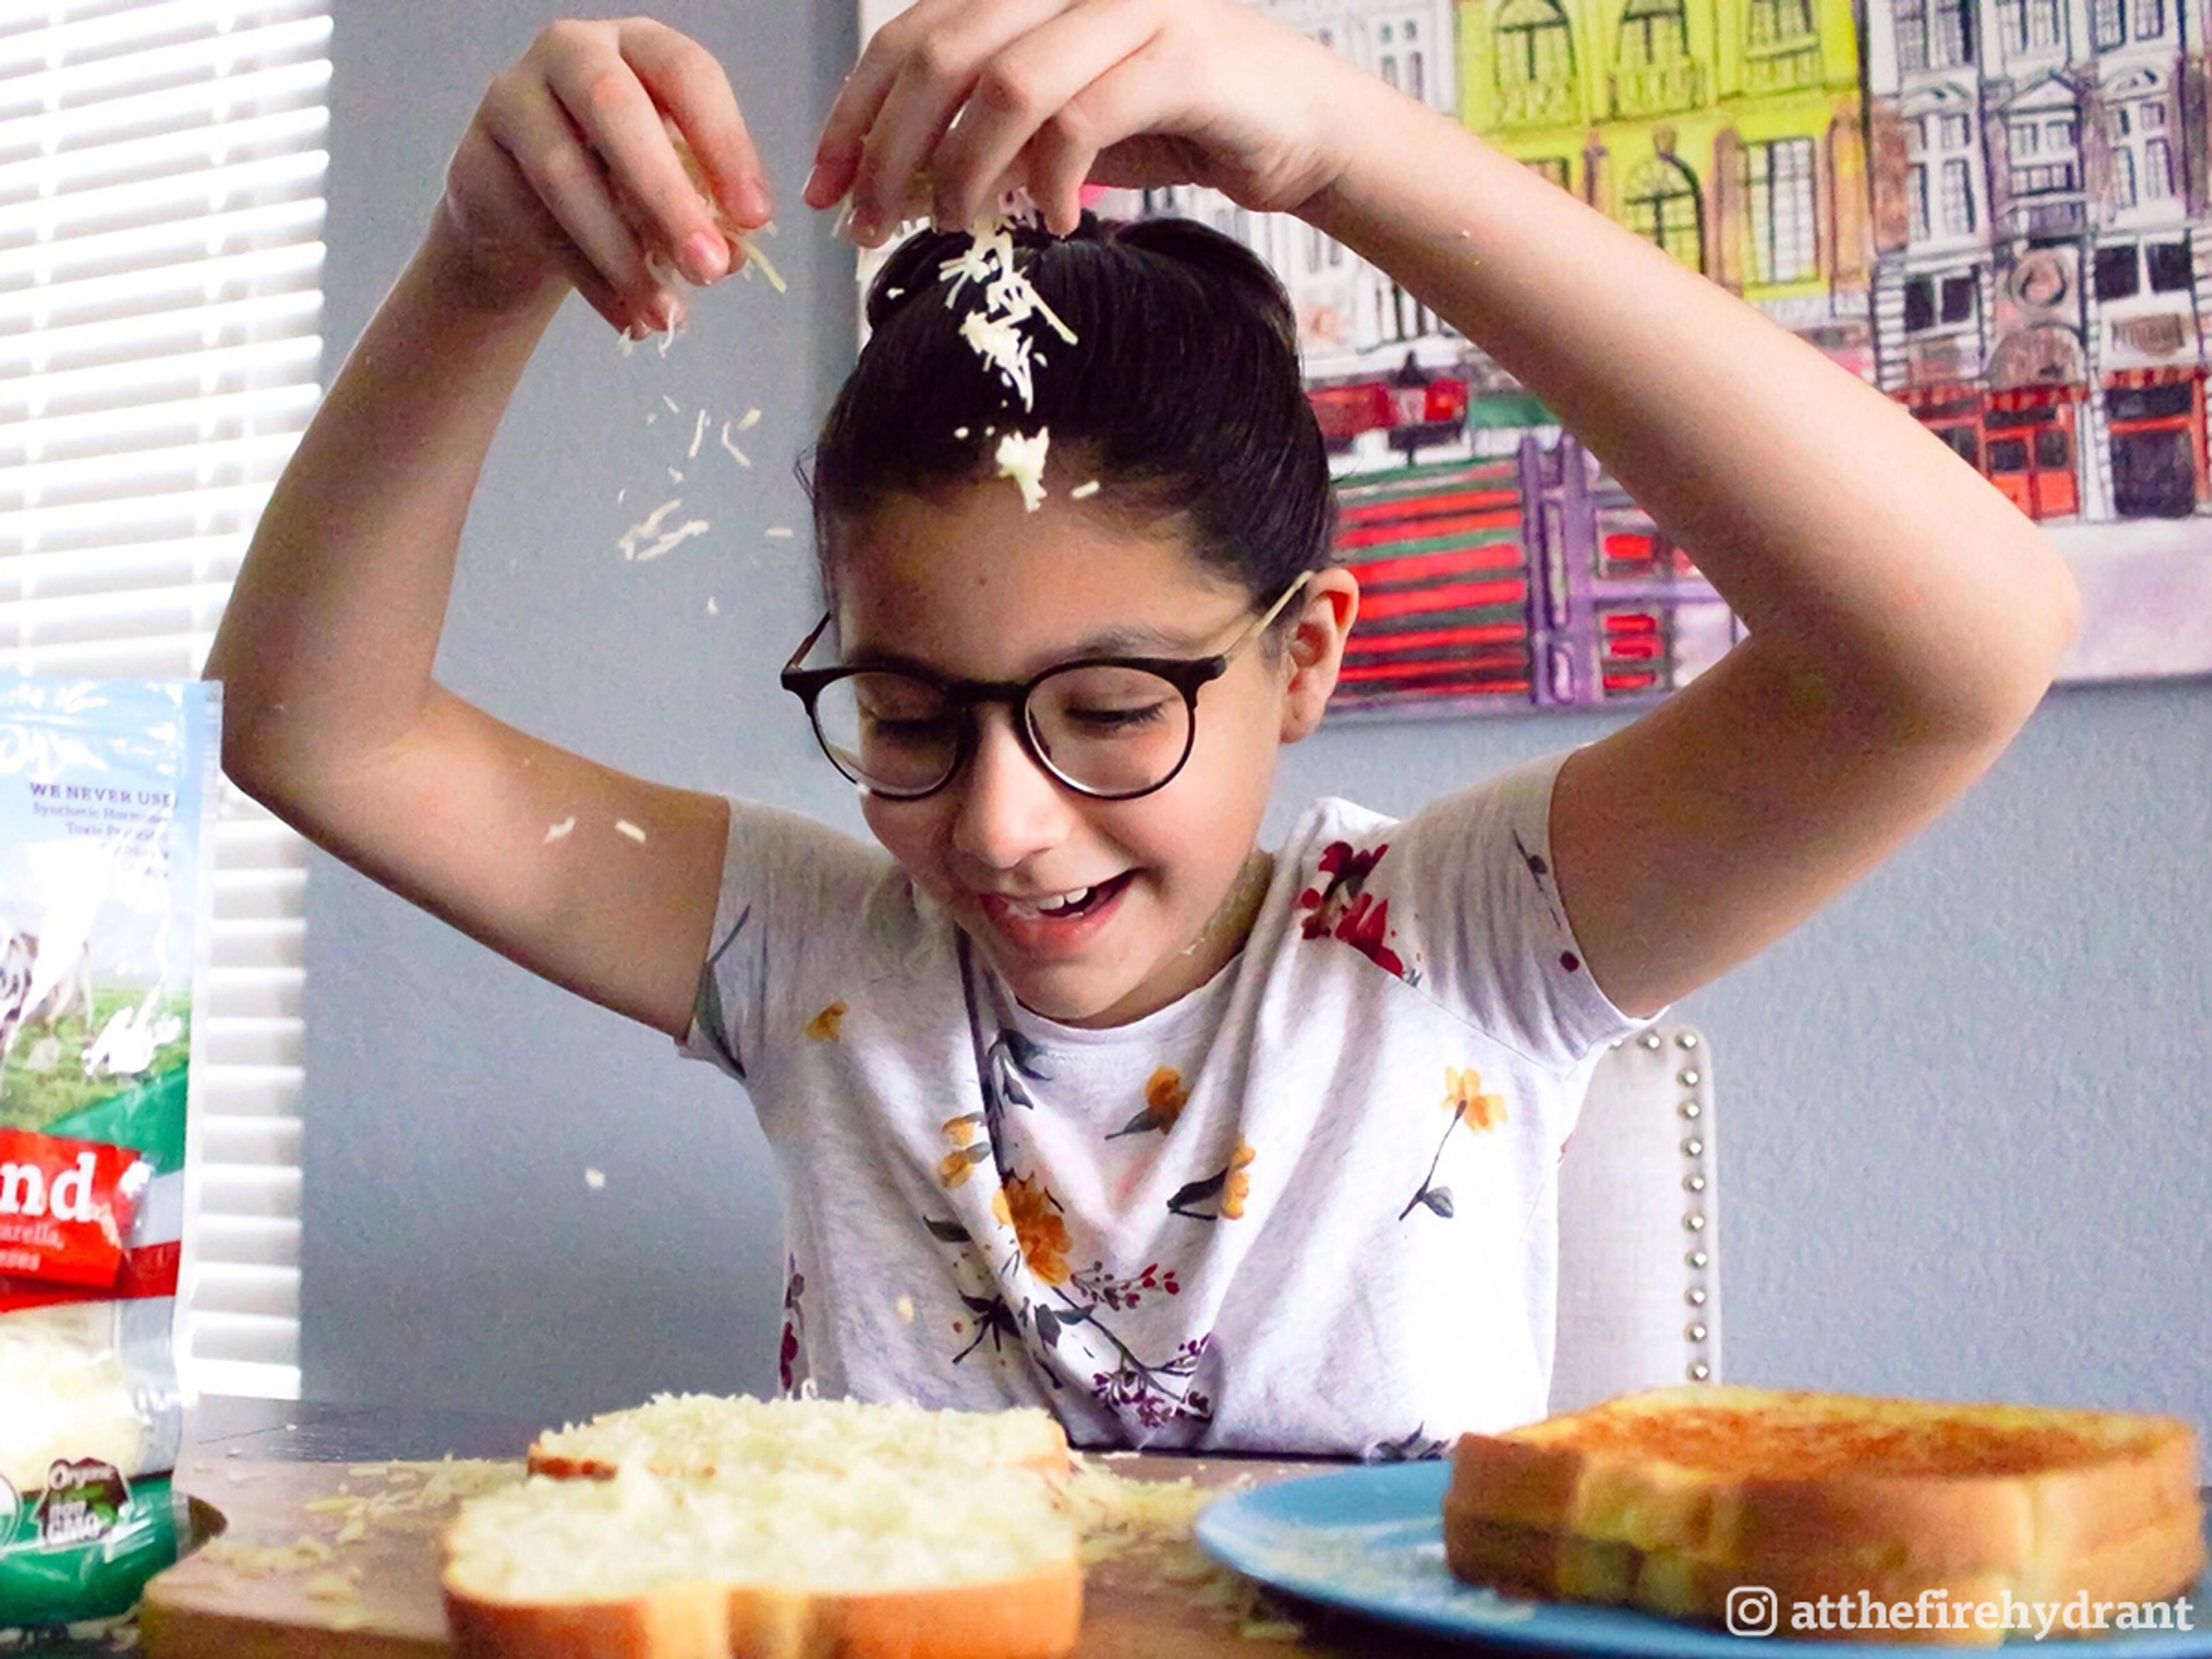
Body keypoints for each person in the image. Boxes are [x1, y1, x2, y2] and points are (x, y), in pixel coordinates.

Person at [207, 2, 2078, 1455]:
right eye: (912, 714)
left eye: (1113, 710)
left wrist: (1341, 145)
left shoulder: (1458, 949)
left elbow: (1955, 651)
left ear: (1306, 654)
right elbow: (319, 732)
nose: (1005, 826)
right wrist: (476, 263)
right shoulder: (823, 959)